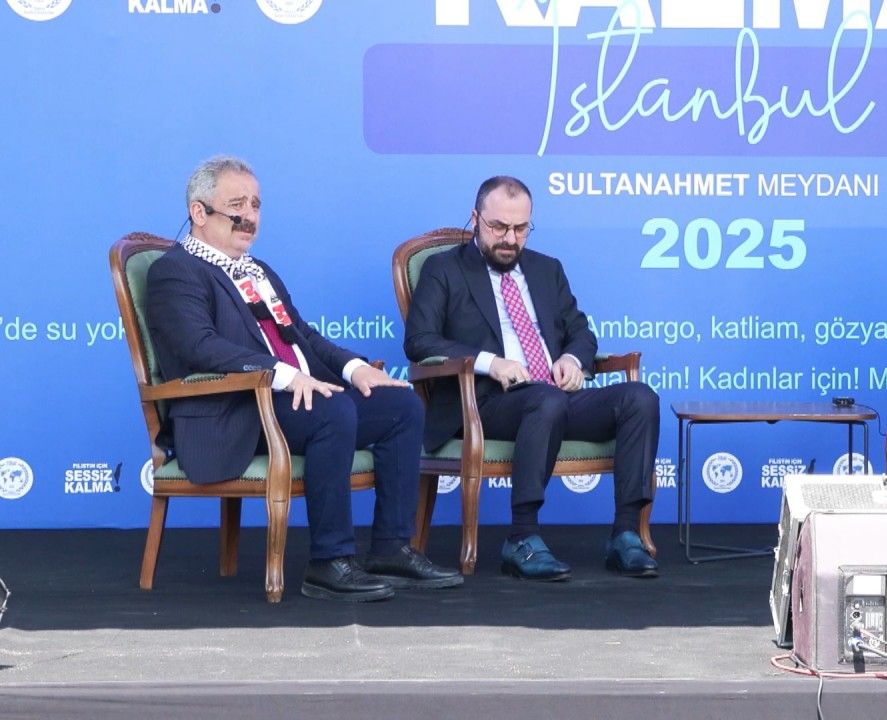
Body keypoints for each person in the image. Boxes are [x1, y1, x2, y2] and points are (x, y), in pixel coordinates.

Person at [146, 156, 461, 602]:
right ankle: (329, 562)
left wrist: (355, 368)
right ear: (199, 212)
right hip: (234, 411)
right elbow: (199, 346)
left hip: (291, 398)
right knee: (332, 412)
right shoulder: (175, 271)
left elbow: (303, 336)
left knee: (402, 407)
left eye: (256, 205)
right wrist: (285, 375)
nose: (250, 216)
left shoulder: (258, 270)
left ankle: (391, 548)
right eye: (237, 205)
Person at [403, 176, 660, 581]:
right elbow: (419, 340)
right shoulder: (444, 269)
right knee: (546, 400)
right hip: (484, 402)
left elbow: (581, 332)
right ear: (475, 219)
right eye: (498, 227)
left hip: (554, 397)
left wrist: (573, 359)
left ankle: (626, 535)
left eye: (521, 228)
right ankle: (522, 537)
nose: (510, 239)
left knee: (640, 398)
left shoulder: (546, 269)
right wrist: (491, 362)